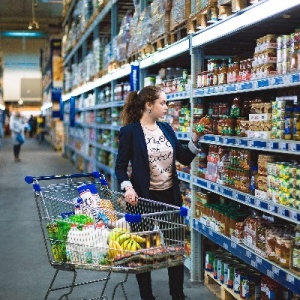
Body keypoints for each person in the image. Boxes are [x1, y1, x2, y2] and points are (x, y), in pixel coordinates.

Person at [115, 86, 203, 300]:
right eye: (162, 103)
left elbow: (182, 157)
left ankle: (177, 295)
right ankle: (147, 296)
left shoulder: (166, 129)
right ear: (148, 105)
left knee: (175, 250)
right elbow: (120, 167)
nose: (166, 107)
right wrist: (128, 188)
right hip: (143, 198)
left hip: (169, 197)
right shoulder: (130, 132)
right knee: (142, 250)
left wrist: (195, 139)